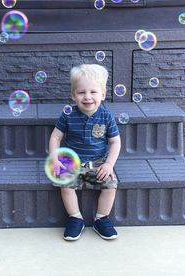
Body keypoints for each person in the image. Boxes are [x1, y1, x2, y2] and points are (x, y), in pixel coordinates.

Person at [49, 64, 121, 241]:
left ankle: (101, 218)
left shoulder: (106, 116)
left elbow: (115, 141)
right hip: (72, 161)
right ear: (73, 95)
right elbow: (55, 138)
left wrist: (109, 164)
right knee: (64, 184)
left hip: (98, 161)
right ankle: (75, 217)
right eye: (81, 92)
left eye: (93, 92)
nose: (87, 97)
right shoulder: (68, 115)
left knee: (111, 185)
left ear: (102, 94)